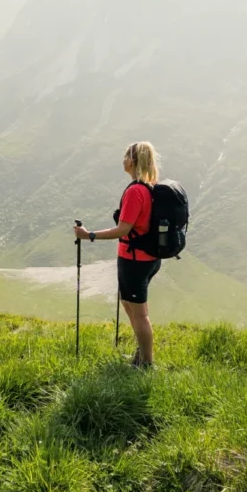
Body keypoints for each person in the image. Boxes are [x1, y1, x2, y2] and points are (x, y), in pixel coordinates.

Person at [73, 141, 162, 367]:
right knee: (129, 304)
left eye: (124, 157)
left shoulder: (135, 191)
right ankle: (141, 355)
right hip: (146, 258)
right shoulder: (150, 187)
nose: (122, 160)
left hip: (135, 260)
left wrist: (89, 235)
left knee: (139, 314)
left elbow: (123, 229)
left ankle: (146, 365)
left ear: (131, 161)